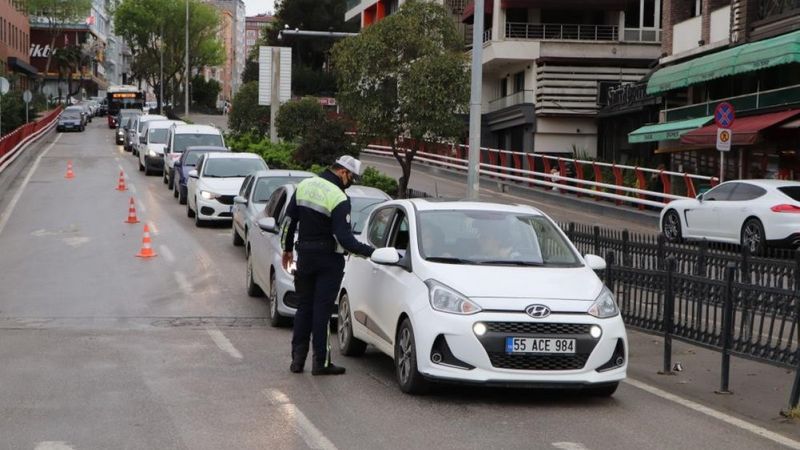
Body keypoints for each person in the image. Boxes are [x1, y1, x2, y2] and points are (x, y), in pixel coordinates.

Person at [282, 155, 376, 375]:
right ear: (343, 172)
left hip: (304, 255)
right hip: (328, 260)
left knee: (304, 307)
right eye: (352, 177)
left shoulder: (304, 185)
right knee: (322, 311)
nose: (351, 182)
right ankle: (320, 363)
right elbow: (344, 239)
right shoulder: (339, 197)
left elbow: (288, 222)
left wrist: (286, 249)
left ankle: (297, 361)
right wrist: (371, 252)